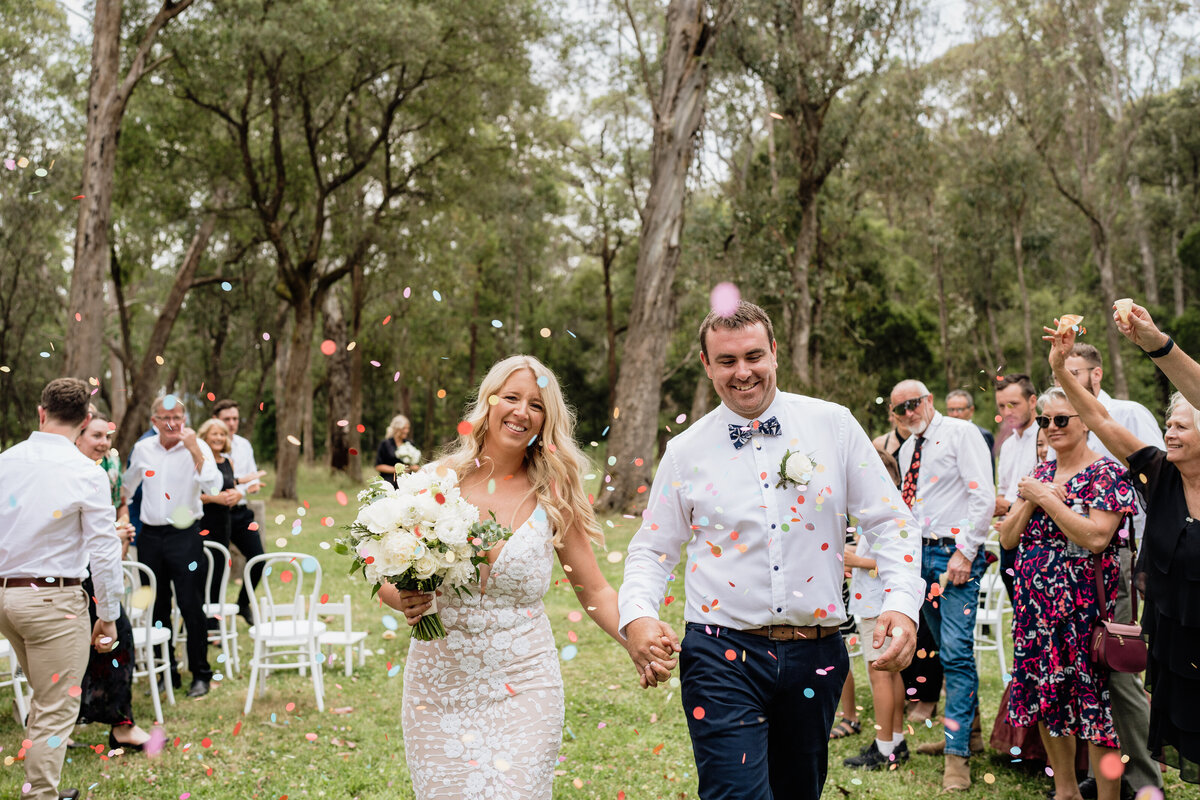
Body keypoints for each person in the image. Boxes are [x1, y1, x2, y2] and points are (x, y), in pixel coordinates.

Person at [618, 301, 923, 800]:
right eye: (727, 361)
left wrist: (900, 605)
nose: (743, 372)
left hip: (817, 653)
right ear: (705, 364)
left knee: (798, 791)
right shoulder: (686, 452)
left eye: (754, 356)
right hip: (720, 654)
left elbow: (893, 525)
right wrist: (637, 616)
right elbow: (651, 551)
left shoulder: (834, 426)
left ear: (775, 352)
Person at [380, 355, 671, 800]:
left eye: (536, 404)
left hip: (525, 683)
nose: (521, 411)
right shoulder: (434, 483)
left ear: (546, 420)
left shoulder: (554, 494)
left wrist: (634, 634)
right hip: (438, 686)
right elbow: (386, 573)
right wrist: (403, 598)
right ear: (489, 401)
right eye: (511, 397)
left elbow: (593, 589)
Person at [1069, 301, 1200, 785]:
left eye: (1181, 425)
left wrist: (1157, 343)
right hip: (1176, 645)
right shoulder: (1160, 475)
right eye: (1168, 424)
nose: (1168, 432)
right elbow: (1099, 421)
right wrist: (1062, 370)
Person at [998, 384, 1133, 800]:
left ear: (1085, 422)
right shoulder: (1039, 473)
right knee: (1047, 699)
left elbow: (1096, 537)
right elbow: (1007, 539)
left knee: (1098, 712)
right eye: (1044, 421)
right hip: (1035, 612)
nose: (1051, 428)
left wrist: (1047, 501)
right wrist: (1031, 500)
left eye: (1060, 419)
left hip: (1083, 613)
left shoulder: (1106, 472)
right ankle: (1066, 791)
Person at [0, 378, 123, 800]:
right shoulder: (85, 474)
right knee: (55, 708)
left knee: (44, 697)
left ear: (41, 413)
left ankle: (41, 786)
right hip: (55, 602)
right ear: (86, 420)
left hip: (6, 599)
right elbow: (105, 552)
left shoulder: (5, 462)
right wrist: (108, 616)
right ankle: (41, 797)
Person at [1056, 342, 1165, 798]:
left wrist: (1142, 557)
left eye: (1074, 372)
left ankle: (1143, 780)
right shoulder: (1061, 417)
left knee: (1119, 667)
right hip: (1068, 568)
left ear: (1096, 375)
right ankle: (1105, 774)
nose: (1067, 382)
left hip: (1119, 558)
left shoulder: (1129, 413)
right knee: (1085, 674)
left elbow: (1160, 481)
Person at [891, 380, 995, 790]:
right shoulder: (904, 449)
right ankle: (969, 734)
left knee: (956, 655)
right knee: (943, 653)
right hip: (919, 558)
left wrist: (966, 553)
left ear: (928, 400)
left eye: (913, 404)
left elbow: (982, 497)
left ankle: (958, 758)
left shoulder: (961, 433)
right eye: (899, 409)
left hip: (954, 556)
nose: (908, 413)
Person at [123, 395, 222, 698]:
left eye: (177, 416)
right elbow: (126, 487)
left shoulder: (197, 447)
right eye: (165, 417)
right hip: (150, 537)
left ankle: (200, 674)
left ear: (184, 419)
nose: (172, 423)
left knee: (191, 604)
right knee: (157, 605)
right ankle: (167, 672)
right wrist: (122, 516)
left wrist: (194, 449)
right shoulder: (142, 449)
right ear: (154, 422)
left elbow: (213, 486)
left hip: (185, 535)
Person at [74, 411, 153, 751]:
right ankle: (67, 725)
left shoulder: (110, 467)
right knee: (79, 647)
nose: (104, 443)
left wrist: (122, 528)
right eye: (96, 436)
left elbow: (120, 505)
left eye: (107, 436)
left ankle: (119, 724)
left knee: (115, 641)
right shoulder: (68, 473)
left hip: (99, 569)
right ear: (77, 436)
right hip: (70, 571)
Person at [843, 446, 910, 770]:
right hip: (881, 601)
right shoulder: (889, 507)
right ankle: (896, 740)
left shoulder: (885, 510)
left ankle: (884, 749)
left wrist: (856, 560)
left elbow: (895, 561)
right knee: (892, 673)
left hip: (877, 604)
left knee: (879, 674)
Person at [212, 400, 266, 623]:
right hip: (215, 513)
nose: (232, 423)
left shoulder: (244, 445)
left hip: (241, 512)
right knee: (216, 566)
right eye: (227, 419)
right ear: (216, 420)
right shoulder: (207, 445)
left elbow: (251, 478)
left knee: (258, 559)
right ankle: (212, 619)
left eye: (235, 418)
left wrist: (242, 492)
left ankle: (243, 603)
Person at [995, 373, 1040, 604]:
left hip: (1037, 539)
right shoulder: (1008, 444)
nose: (1006, 411)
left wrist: (1009, 505)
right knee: (1018, 610)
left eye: (1013, 404)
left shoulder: (1047, 438)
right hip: (1009, 536)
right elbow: (1003, 489)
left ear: (1033, 401)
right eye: (1002, 405)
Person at [197, 419, 240, 613]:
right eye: (214, 434)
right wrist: (216, 499)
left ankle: (215, 620)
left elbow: (233, 488)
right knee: (204, 570)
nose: (219, 438)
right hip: (204, 521)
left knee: (220, 571)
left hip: (224, 522)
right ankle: (200, 619)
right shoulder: (200, 462)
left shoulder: (228, 461)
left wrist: (236, 496)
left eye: (222, 434)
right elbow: (194, 495)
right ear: (205, 437)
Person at [946, 389, 996, 468]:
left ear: (971, 410)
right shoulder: (943, 435)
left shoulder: (983, 435)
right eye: (951, 410)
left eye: (959, 409)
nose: (955, 414)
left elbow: (988, 468)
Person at [375, 413, 420, 488]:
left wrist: (412, 468)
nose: (406, 431)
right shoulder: (385, 444)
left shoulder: (410, 444)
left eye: (408, 428)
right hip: (389, 481)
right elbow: (378, 466)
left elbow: (414, 465)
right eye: (404, 428)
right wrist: (398, 470)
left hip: (406, 481)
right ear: (397, 428)